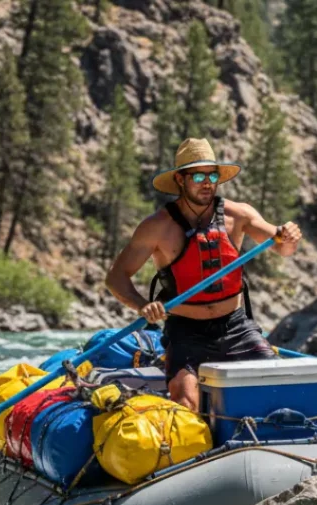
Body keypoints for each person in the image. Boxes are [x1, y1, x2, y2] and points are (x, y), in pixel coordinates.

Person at [105, 137, 302, 410]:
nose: (207, 182)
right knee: (186, 400)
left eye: (212, 175)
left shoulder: (239, 214)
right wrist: (142, 307)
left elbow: (283, 247)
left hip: (236, 326)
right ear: (180, 180)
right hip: (186, 332)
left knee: (280, 388)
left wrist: (289, 236)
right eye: (198, 175)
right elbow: (116, 277)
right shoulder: (157, 227)